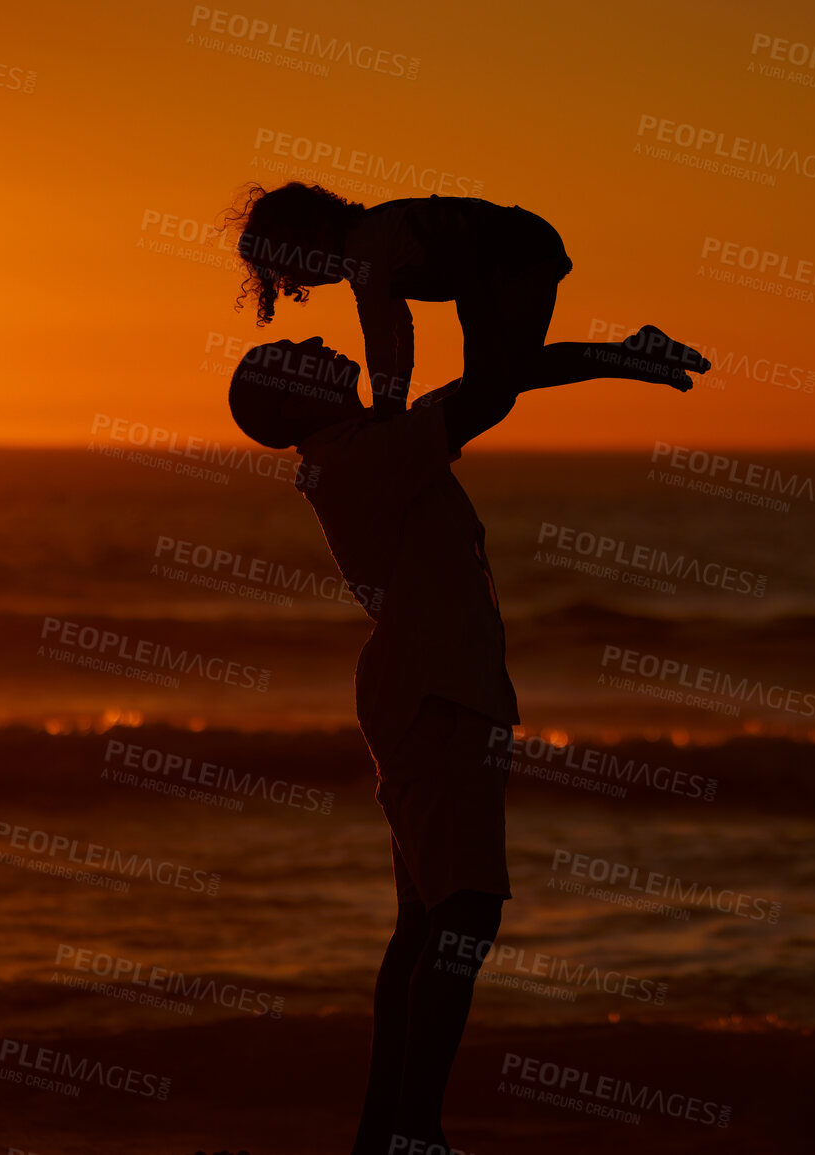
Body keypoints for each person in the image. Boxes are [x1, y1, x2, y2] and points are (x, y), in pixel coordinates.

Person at [227, 333, 700, 1154]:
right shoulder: (369, 454)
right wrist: (612, 356)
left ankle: (388, 1130)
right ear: (293, 404)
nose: (315, 338)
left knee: (423, 922)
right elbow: (491, 383)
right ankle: (414, 1128)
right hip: (435, 698)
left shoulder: (362, 448)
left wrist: (612, 355)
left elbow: (484, 380)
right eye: (297, 353)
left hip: (430, 695)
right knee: (464, 914)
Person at [231, 182, 707, 408]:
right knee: (514, 371)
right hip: (521, 249)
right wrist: (393, 398)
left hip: (513, 253)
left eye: (290, 266)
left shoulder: (366, 244)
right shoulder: (373, 246)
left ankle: (635, 354)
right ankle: (637, 355)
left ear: (311, 232)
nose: (299, 282)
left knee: (498, 380)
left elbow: (379, 333)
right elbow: (400, 330)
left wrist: (386, 407)